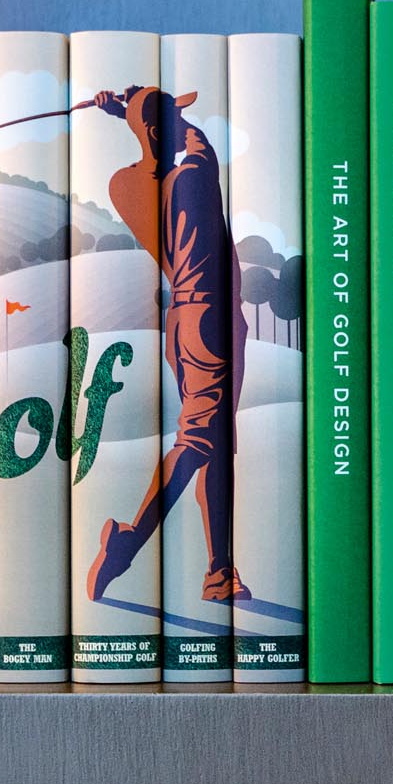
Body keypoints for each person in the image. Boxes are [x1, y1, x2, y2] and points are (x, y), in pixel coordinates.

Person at [86, 85, 250, 603]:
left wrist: (128, 114)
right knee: (199, 440)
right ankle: (127, 542)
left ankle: (219, 572)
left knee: (216, 442)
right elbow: (201, 145)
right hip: (211, 319)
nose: (184, 124)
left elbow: (154, 143)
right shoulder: (195, 177)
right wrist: (140, 112)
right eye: (174, 118)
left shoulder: (124, 187)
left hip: (182, 321)